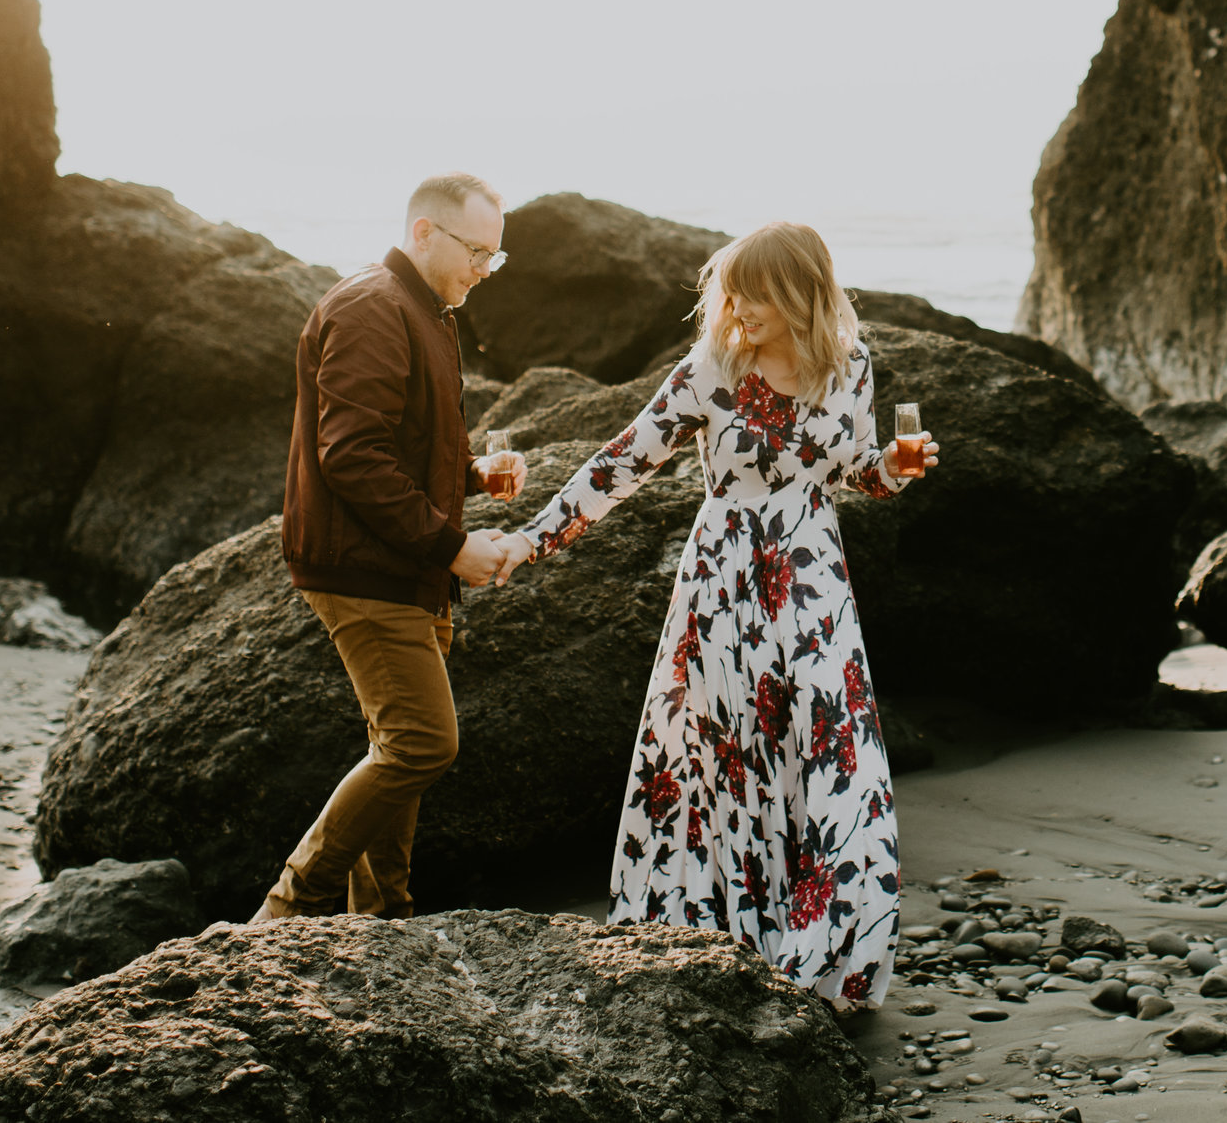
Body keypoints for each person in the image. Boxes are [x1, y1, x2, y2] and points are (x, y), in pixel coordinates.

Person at [501, 222, 937, 1006]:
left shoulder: (852, 366)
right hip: (723, 586)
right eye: (729, 288)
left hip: (812, 590)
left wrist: (896, 470)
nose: (735, 304)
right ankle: (724, 943)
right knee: (723, 764)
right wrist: (534, 539)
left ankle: (827, 959)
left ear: (801, 289)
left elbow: (860, 472)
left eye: (753, 288)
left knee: (839, 765)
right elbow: (622, 460)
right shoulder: (714, 368)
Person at [251, 172, 529, 921]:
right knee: (423, 743)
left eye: (493, 258)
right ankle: (284, 908)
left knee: (398, 749)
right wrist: (452, 547)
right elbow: (352, 456)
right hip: (362, 566)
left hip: (397, 563)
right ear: (423, 233)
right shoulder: (374, 305)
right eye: (476, 251)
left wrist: (471, 474)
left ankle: (380, 916)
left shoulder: (428, 308)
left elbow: (399, 444)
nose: (483, 269)